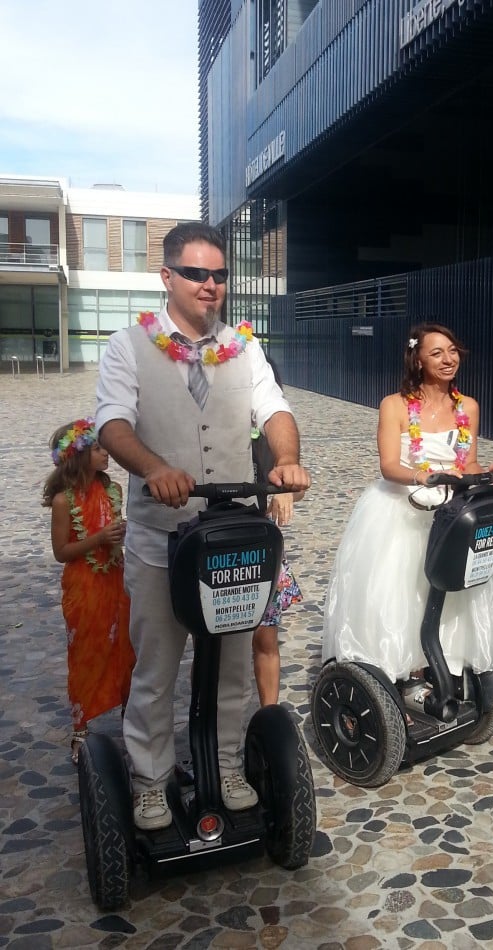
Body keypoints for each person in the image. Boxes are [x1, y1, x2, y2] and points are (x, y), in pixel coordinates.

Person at [96, 221, 310, 832]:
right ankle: (150, 781)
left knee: (235, 668)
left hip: (228, 541)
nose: (209, 285)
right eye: (195, 273)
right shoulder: (127, 346)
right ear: (167, 277)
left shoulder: (243, 347)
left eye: (218, 274)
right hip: (159, 538)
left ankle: (228, 766)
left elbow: (274, 410)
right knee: (157, 668)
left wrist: (287, 458)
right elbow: (112, 423)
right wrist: (154, 467)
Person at [322, 322, 493, 715]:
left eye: (453, 351)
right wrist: (421, 475)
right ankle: (402, 676)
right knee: (402, 593)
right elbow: (389, 464)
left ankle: (446, 667)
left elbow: (468, 460)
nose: (448, 359)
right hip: (403, 508)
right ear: (418, 359)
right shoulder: (394, 405)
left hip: (452, 513)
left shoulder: (468, 407)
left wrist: (490, 471)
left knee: (453, 593)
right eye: (437, 353)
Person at [42, 417, 135, 765]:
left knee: (127, 648)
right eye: (98, 448)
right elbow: (61, 552)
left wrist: (119, 535)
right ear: (79, 456)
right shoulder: (64, 503)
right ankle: (81, 729)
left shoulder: (114, 491)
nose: (106, 452)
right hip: (84, 586)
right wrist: (97, 539)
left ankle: (133, 720)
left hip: (116, 580)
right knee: (87, 652)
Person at [250, 357, 303, 706]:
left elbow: (294, 481)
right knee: (213, 645)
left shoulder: (273, 430)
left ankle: (269, 715)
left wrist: (288, 488)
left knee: (265, 640)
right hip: (216, 538)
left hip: (261, 542)